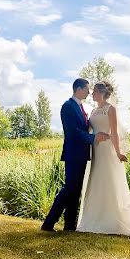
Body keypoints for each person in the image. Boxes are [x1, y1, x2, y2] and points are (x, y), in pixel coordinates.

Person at [76, 81, 130, 237]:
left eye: (93, 92)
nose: (91, 94)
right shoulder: (93, 110)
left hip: (107, 150)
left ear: (101, 93)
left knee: (108, 180)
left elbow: (114, 132)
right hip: (96, 150)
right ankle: (94, 218)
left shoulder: (111, 109)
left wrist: (119, 152)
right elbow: (90, 130)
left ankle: (112, 221)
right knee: (96, 181)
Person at [41, 78, 109, 232]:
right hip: (73, 154)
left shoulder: (80, 107)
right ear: (79, 89)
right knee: (69, 188)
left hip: (82, 154)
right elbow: (72, 131)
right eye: (87, 89)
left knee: (75, 190)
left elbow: (84, 128)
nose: (89, 91)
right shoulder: (68, 107)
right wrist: (93, 138)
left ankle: (69, 226)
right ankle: (48, 223)